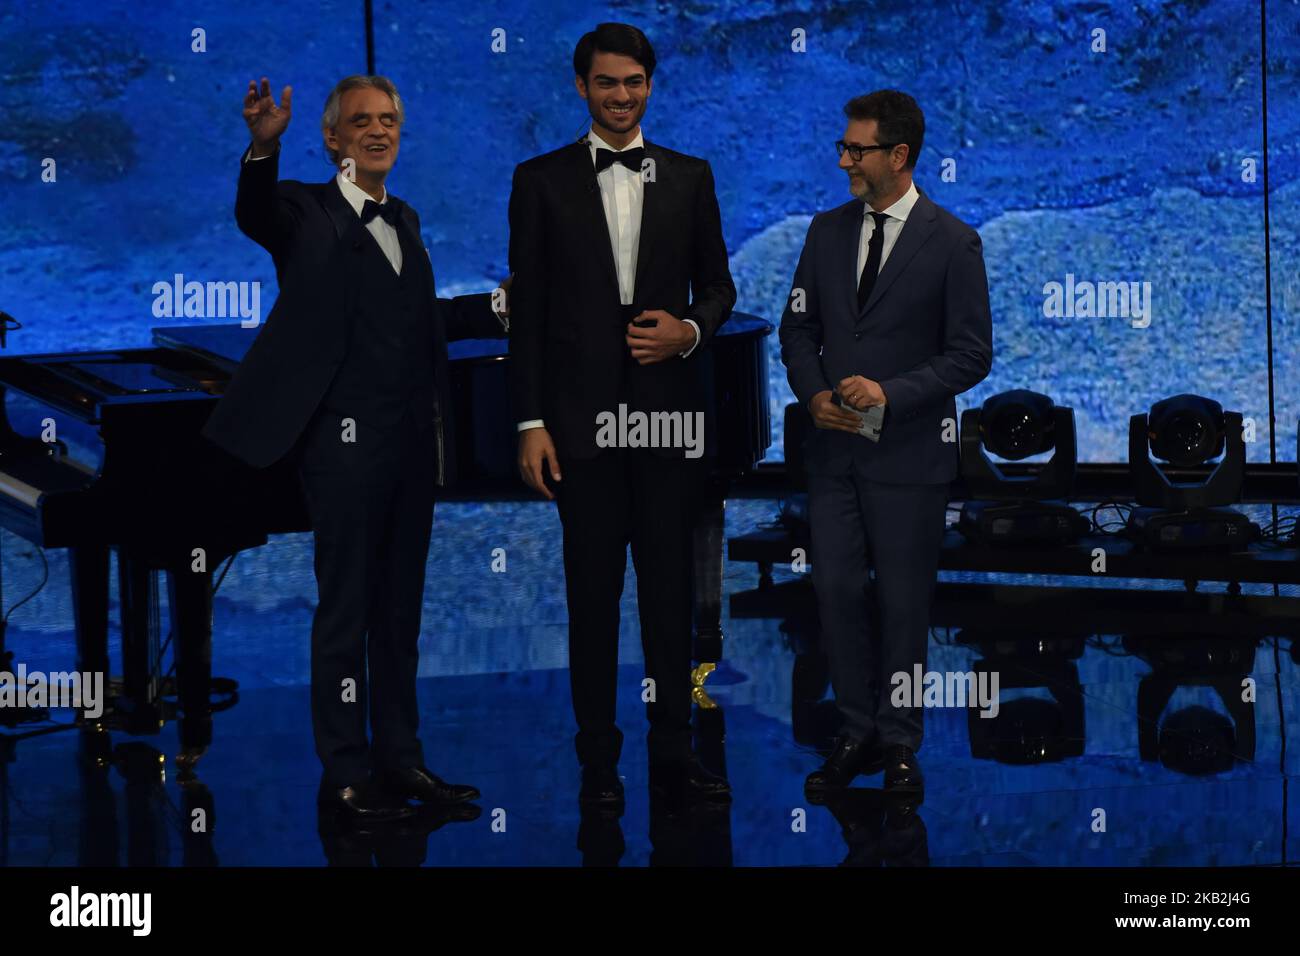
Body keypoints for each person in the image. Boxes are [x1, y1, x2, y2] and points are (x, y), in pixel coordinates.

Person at [203, 74, 507, 821]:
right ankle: (344, 773)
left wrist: (501, 304)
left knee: (400, 611)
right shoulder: (302, 210)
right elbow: (254, 213)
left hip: (410, 446)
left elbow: (415, 317)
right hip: (339, 447)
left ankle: (402, 761)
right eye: (362, 122)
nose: (378, 131)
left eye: (390, 120)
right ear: (333, 138)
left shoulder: (402, 218)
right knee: (346, 610)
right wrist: (261, 147)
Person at [508, 24, 736, 808]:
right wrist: (529, 422)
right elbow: (528, 314)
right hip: (579, 428)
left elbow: (720, 288)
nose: (621, 95)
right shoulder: (538, 181)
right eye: (607, 82)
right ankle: (598, 766)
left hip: (670, 424)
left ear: (650, 86)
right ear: (581, 87)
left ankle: (675, 755)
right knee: (592, 598)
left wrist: (691, 330)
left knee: (671, 597)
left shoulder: (692, 176)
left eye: (634, 82)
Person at [778, 89, 992, 795]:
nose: (844, 160)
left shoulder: (954, 242)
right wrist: (814, 396)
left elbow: (971, 355)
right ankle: (855, 730)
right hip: (835, 456)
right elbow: (797, 329)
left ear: (898, 156)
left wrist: (892, 393)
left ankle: (900, 740)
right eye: (843, 147)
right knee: (835, 591)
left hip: (909, 458)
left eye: (856, 149)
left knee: (903, 605)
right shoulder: (824, 231)